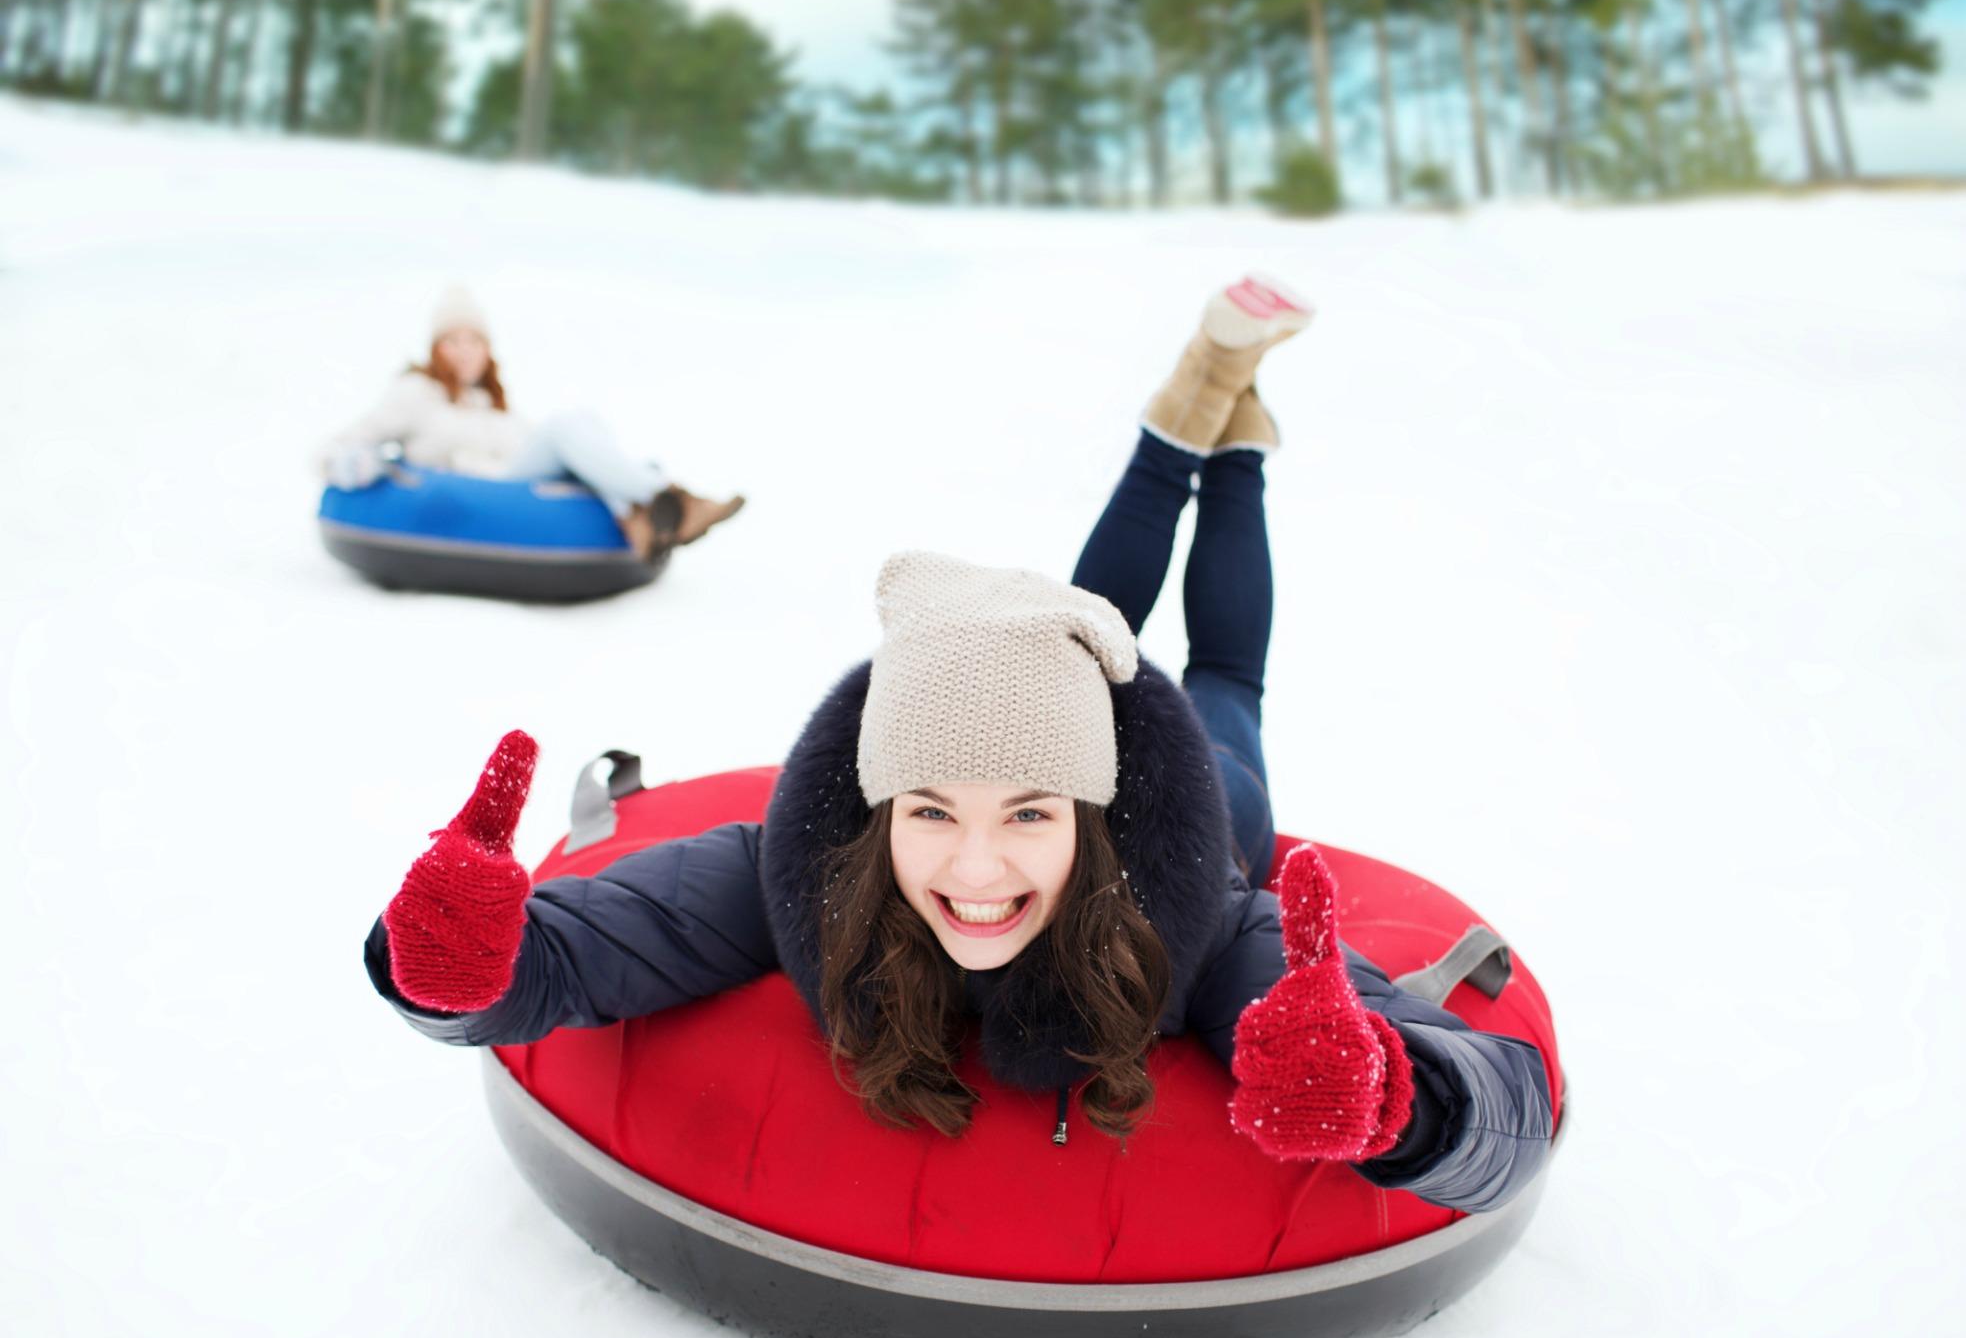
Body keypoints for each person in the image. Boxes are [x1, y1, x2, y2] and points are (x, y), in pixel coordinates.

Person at [364, 277, 1553, 1213]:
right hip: (1053, 719)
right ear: (878, 808)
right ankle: (1215, 393)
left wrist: (1399, 1101)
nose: (976, 871)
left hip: (1213, 796)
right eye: (931, 810)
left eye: (1030, 813)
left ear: (1085, 822)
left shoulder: (1202, 925)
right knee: (1096, 624)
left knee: (1221, 675)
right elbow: (568, 957)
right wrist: (442, 968)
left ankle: (1229, 445)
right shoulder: (794, 870)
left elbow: (1505, 1109)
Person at [321, 286, 745, 558]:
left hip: (517, 482)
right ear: (436, 349)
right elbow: (339, 446)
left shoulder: (494, 403)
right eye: (452, 341)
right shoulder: (415, 394)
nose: (464, 351)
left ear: (487, 349)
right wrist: (354, 462)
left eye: (474, 341)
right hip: (481, 490)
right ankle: (671, 501)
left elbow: (543, 449)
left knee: (581, 423)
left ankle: (644, 518)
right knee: (564, 427)